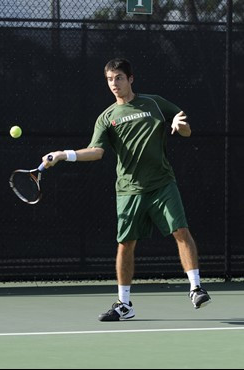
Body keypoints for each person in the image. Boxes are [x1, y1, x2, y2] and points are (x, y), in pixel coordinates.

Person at [42, 58, 211, 322]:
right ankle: (124, 305)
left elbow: (185, 128)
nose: (114, 84)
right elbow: (96, 152)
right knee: (125, 245)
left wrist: (181, 127)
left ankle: (196, 288)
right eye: (109, 79)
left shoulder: (154, 103)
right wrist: (64, 154)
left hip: (162, 184)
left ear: (131, 79)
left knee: (181, 231)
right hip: (129, 190)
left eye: (119, 78)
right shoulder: (106, 118)